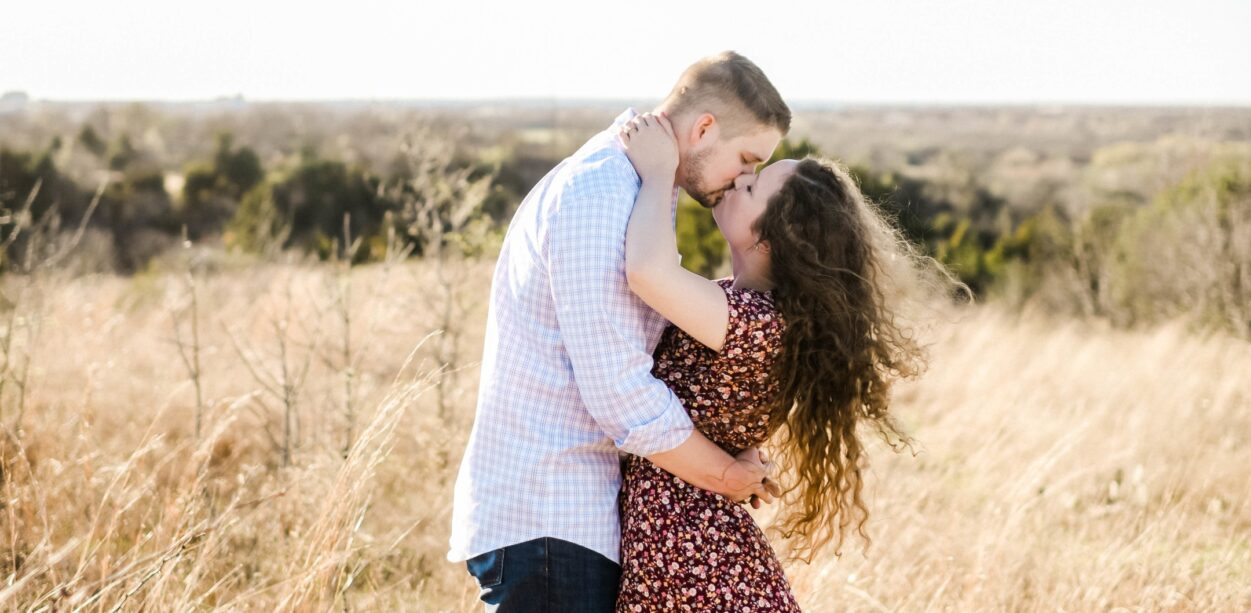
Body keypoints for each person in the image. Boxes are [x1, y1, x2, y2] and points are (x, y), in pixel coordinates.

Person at [448, 51, 791, 612]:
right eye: (747, 159)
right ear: (704, 128)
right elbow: (619, 390)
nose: (744, 179)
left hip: (572, 516)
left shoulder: (637, 189)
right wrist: (724, 474)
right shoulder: (601, 193)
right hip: (551, 509)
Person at [612, 109, 953, 610]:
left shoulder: (755, 322)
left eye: (752, 187)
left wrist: (659, 171)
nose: (740, 179)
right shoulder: (750, 311)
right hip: (690, 548)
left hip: (693, 557)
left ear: (768, 240)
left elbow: (646, 270)